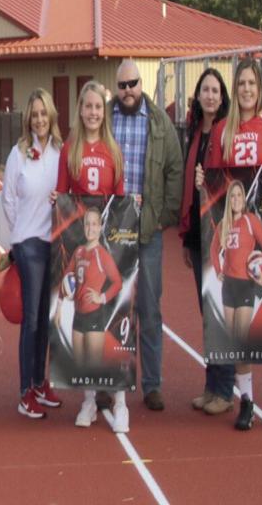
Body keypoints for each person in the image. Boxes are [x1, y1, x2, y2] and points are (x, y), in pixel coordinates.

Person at [198, 58, 262, 433]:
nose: (246, 90)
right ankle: (247, 402)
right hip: (232, 230)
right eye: (241, 84)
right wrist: (200, 182)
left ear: (260, 87)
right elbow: (215, 187)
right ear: (234, 88)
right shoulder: (223, 130)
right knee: (239, 337)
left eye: (252, 83)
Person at [104, 59, 182, 412]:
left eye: (132, 83)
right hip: (111, 233)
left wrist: (163, 216)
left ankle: (151, 384)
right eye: (122, 86)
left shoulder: (158, 122)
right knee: (112, 308)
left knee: (149, 310)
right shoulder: (104, 118)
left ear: (141, 83)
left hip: (147, 233)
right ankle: (109, 378)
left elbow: (174, 169)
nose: (128, 91)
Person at [52, 80, 129, 433]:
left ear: (104, 111)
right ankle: (88, 401)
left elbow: (120, 202)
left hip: (106, 244)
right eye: (88, 107)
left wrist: (133, 207)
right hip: (80, 244)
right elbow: (65, 198)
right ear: (80, 110)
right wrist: (58, 203)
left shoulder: (113, 149)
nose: (93, 113)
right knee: (83, 338)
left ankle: (119, 401)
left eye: (99, 107)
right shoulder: (71, 148)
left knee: (109, 334)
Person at [1, 88, 63, 420]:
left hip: (53, 243)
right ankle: (25, 391)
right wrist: (21, 231)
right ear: (28, 118)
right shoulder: (17, 153)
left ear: (51, 115)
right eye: (34, 114)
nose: (39, 119)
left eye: (44, 113)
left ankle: (40, 381)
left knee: (46, 318)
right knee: (33, 319)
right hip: (28, 244)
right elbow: (8, 199)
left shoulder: (59, 150)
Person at [178, 68, 236, 417]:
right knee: (206, 312)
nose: (211, 95)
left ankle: (225, 388)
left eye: (215, 90)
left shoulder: (227, 130)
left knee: (219, 312)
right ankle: (211, 384)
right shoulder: (195, 132)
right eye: (205, 89)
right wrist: (186, 235)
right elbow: (191, 185)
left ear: (221, 96)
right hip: (198, 232)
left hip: (220, 232)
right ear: (198, 95)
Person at [209, 180, 262, 343]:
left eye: (239, 195)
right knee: (230, 339)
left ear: (244, 199)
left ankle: (245, 370)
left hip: (245, 285)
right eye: (232, 196)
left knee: (241, 338)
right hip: (228, 286)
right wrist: (218, 271)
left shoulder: (250, 220)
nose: (236, 199)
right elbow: (213, 250)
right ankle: (235, 370)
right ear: (228, 200)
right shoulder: (224, 225)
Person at [59, 208, 122, 370]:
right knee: (79, 366)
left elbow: (117, 282)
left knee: (93, 367)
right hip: (77, 316)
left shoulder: (102, 255)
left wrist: (101, 298)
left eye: (94, 224)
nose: (90, 228)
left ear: (100, 227)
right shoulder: (79, 252)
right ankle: (88, 397)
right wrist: (59, 307)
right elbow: (66, 278)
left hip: (94, 316)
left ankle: (107, 395)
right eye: (87, 224)